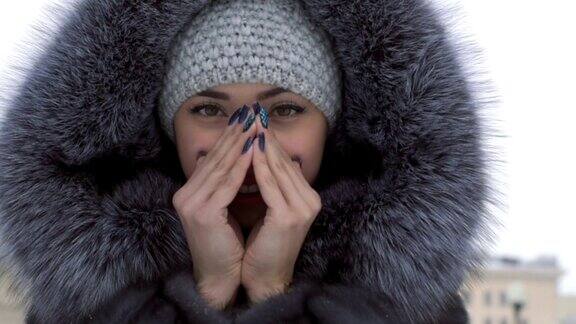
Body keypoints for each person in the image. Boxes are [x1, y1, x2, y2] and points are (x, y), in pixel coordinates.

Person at [0, 0, 495, 323]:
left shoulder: (413, 310)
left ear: (331, 128)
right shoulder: (83, 307)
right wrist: (206, 293)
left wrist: (273, 293)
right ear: (170, 129)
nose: (248, 141)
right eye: (210, 110)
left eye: (285, 110)